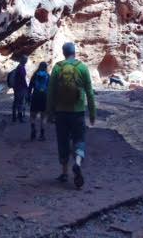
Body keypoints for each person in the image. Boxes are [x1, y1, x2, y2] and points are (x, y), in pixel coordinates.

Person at [46, 42, 96, 189]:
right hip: (78, 112)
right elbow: (90, 93)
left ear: (63, 53)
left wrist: (49, 112)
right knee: (79, 139)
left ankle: (64, 172)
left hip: (60, 113)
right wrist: (92, 113)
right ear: (75, 52)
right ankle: (78, 163)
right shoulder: (82, 67)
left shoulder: (57, 68)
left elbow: (51, 92)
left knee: (63, 142)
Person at [28, 61, 50, 141]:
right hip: (44, 97)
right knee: (43, 117)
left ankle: (33, 128)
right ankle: (42, 134)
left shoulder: (34, 76)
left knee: (32, 115)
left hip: (35, 96)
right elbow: (50, 88)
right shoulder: (48, 76)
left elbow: (30, 87)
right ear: (46, 68)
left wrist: (28, 97)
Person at [12, 55, 28, 123]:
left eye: (26, 60)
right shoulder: (21, 67)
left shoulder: (19, 67)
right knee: (20, 102)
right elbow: (22, 78)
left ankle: (14, 117)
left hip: (17, 87)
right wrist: (26, 87)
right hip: (20, 87)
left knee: (16, 102)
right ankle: (19, 117)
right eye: (25, 60)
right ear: (22, 60)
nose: (26, 61)